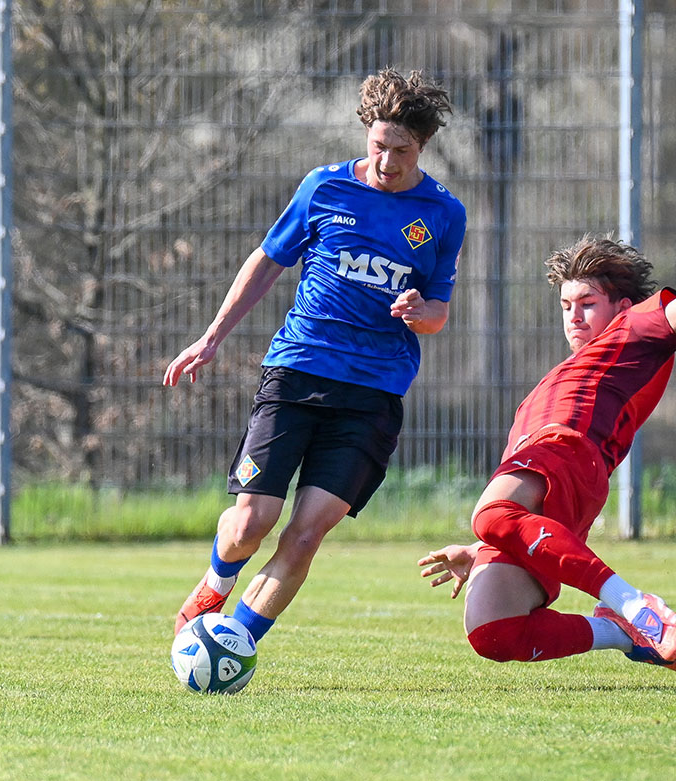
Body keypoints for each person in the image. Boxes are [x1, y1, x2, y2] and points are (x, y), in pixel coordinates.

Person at [164, 68, 466, 642]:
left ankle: (236, 643)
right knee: (252, 523)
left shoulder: (444, 214)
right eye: (378, 146)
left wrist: (418, 311)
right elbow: (266, 261)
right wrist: (210, 338)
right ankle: (216, 582)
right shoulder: (324, 188)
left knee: (304, 534)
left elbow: (438, 314)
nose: (386, 161)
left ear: (421, 146)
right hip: (298, 372)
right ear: (366, 135)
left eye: (401, 150)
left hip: (373, 393)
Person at [418, 212, 676, 673]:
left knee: (490, 513)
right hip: (560, 485)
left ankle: (632, 603)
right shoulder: (565, 374)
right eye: (565, 305)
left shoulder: (634, 329)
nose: (574, 317)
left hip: (568, 449)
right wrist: (487, 543)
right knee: (493, 630)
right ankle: (622, 632)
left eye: (587, 302)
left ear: (621, 307)